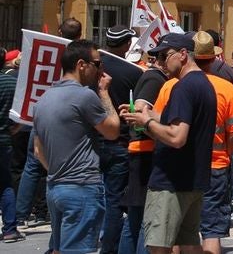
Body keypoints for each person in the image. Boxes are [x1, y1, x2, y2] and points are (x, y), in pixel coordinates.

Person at [121, 32, 217, 254]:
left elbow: (176, 137)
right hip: (193, 178)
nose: (160, 62)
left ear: (183, 54)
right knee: (189, 243)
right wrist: (145, 115)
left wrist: (146, 123)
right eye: (157, 57)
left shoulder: (183, 87)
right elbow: (177, 124)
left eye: (165, 55)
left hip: (171, 181)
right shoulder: (203, 83)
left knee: (159, 246)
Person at [33, 39, 120, 254]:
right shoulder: (84, 96)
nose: (101, 70)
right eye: (98, 64)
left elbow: (38, 151)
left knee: (59, 248)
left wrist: (57, 171)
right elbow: (112, 131)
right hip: (82, 187)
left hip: (55, 187)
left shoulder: (43, 99)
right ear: (82, 64)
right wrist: (104, 93)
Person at [187, 32, 233, 254]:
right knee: (212, 229)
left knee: (182, 228)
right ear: (213, 59)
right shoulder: (225, 88)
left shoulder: (173, 85)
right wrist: (228, 154)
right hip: (216, 165)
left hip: (183, 166)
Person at [119, 51, 169, 254]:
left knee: (136, 219)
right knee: (143, 220)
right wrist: (153, 129)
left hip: (142, 151)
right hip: (145, 153)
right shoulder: (154, 78)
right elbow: (139, 109)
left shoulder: (155, 77)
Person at [99, 24, 140, 254]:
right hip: (120, 143)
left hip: (94, 142)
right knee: (115, 200)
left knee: (94, 197)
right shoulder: (133, 72)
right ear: (126, 44)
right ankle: (109, 248)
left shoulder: (95, 66)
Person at [0, 49, 20, 243]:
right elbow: (21, 109)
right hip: (4, 138)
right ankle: (9, 228)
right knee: (5, 184)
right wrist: (15, 127)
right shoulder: (11, 83)